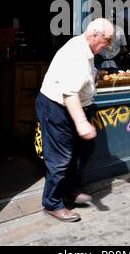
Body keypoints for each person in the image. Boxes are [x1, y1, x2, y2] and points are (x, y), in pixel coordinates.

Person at [35, 18, 114, 222]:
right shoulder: (76, 54)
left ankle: (70, 189)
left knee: (83, 150)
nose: (107, 46)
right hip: (57, 108)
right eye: (106, 41)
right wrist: (81, 123)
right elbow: (69, 94)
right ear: (95, 35)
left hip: (74, 107)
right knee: (60, 158)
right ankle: (52, 203)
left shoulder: (87, 51)